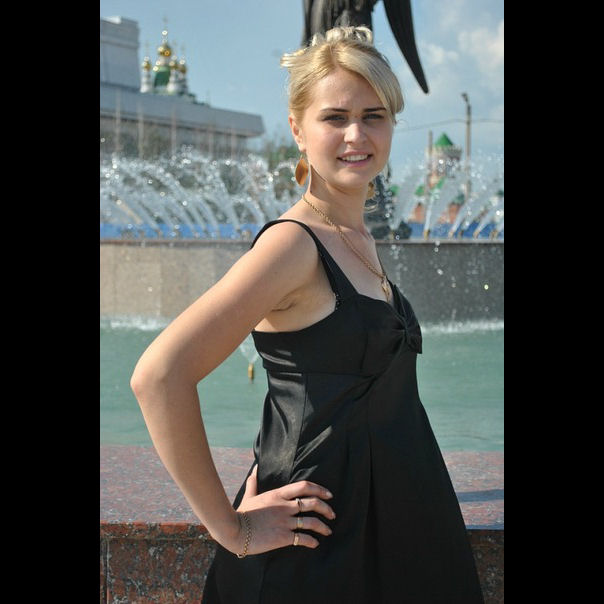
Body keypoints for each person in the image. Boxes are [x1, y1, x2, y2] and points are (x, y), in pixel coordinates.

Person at [130, 26, 484, 604]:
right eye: (335, 117)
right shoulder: (292, 244)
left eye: (373, 116)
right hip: (317, 549)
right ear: (297, 128)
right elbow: (159, 375)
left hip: (392, 527)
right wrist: (232, 529)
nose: (356, 134)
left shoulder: (357, 237)